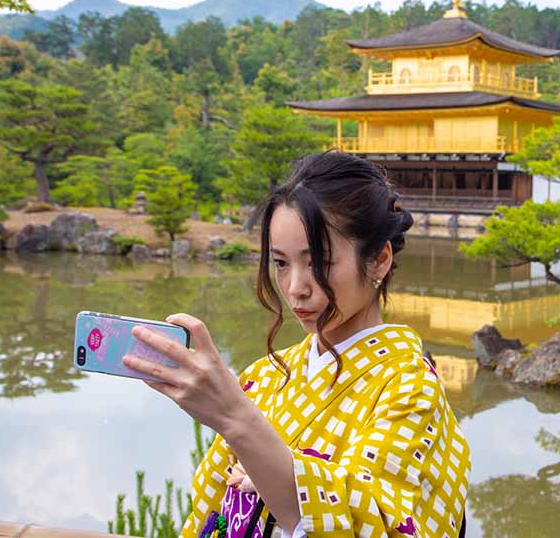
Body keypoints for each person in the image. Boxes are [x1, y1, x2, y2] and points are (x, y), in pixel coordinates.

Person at [124, 151, 472, 538]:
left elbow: (386, 525)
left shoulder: (409, 386)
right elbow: (209, 515)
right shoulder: (264, 377)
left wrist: (237, 419)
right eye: (281, 263)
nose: (295, 288)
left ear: (378, 260)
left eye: (318, 262)